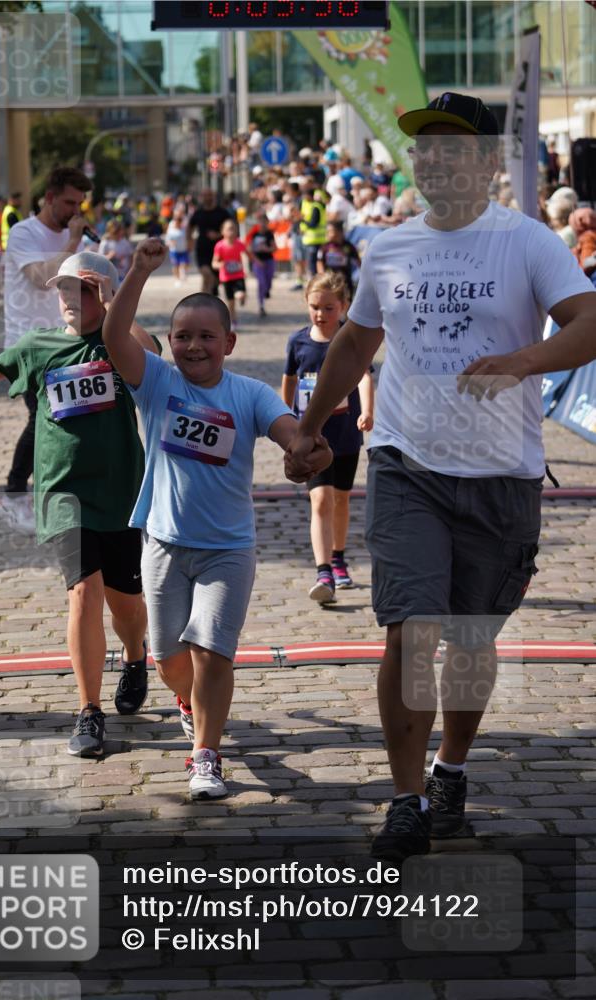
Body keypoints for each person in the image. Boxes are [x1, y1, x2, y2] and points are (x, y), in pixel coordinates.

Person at [284, 92, 596, 861]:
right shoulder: (388, 248)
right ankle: (405, 799)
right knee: (409, 629)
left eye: (454, 149)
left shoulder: (525, 242)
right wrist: (312, 429)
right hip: (406, 463)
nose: (436, 161)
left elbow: (590, 322)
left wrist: (523, 360)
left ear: (489, 163)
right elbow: (355, 345)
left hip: (501, 474)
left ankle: (449, 769)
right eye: (425, 149)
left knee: (468, 642)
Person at [102, 238, 306, 800]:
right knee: (170, 660)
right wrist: (138, 273)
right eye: (183, 336)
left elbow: (291, 432)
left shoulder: (251, 394)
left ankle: (206, 758)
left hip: (228, 550)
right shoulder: (158, 384)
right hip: (164, 544)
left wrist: (304, 451)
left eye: (206, 336)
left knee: (213, 652)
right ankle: (187, 704)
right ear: (171, 343)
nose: (194, 346)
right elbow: (115, 338)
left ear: (229, 343)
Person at [0, 251, 164, 756]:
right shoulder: (39, 345)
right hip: (62, 494)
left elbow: (153, 353)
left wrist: (117, 305)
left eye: (84, 289)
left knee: (127, 605)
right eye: (64, 290)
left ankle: (136, 655)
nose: (71, 299)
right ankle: (89, 710)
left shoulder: (121, 345)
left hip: (120, 492)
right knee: (83, 592)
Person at [1, 166, 93, 533]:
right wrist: (71, 243)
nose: (75, 210)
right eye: (70, 201)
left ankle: (55, 494)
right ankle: (13, 495)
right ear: (50, 197)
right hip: (27, 344)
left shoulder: (78, 238)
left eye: (80, 203)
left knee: (65, 418)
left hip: (65, 342)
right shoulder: (24, 233)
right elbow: (41, 280)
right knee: (41, 417)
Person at [282, 272, 373, 604]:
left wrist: (368, 411)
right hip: (313, 436)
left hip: (346, 433)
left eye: (329, 308)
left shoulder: (351, 339)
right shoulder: (298, 342)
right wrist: (285, 417)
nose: (321, 314)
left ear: (344, 306)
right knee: (320, 500)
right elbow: (289, 380)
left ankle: (338, 556)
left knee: (341, 500)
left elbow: (364, 376)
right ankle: (323, 571)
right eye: (315, 307)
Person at [188, 189, 231, 295]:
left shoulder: (222, 212)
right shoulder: (198, 212)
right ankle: (206, 304)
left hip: (219, 251)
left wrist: (219, 235)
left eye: (210, 195)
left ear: (214, 196)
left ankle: (206, 303)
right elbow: (190, 226)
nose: (207, 198)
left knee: (213, 281)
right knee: (208, 275)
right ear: (201, 197)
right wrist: (189, 241)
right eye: (205, 195)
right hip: (202, 250)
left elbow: (231, 227)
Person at [211, 218, 250, 331]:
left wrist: (249, 266)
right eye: (229, 229)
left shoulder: (239, 244)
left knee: (240, 295)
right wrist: (221, 265)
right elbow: (214, 263)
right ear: (223, 232)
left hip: (238, 276)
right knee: (231, 303)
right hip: (226, 278)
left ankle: (242, 297)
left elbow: (246, 255)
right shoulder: (220, 246)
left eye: (234, 229)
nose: (232, 231)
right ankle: (233, 321)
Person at [316, 220, 360, 298]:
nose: (328, 234)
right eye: (327, 231)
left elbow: (358, 261)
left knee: (347, 301)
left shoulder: (348, 246)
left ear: (340, 232)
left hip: (346, 281)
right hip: (330, 281)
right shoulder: (324, 247)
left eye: (330, 231)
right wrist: (322, 275)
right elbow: (319, 262)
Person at [245, 210, 276, 317]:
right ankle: (261, 305)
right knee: (261, 283)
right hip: (258, 261)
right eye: (260, 222)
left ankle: (267, 291)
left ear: (267, 222)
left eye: (264, 222)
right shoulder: (254, 234)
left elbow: (274, 248)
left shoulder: (269, 234)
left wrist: (267, 249)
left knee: (268, 281)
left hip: (269, 260)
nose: (262, 224)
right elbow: (248, 249)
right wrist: (256, 260)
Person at [165, 208, 190, 286]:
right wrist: (170, 243)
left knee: (185, 264)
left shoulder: (185, 223)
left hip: (183, 248)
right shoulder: (171, 224)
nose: (178, 218)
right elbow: (168, 237)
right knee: (175, 265)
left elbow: (189, 235)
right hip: (174, 250)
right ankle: (177, 279)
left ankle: (183, 273)